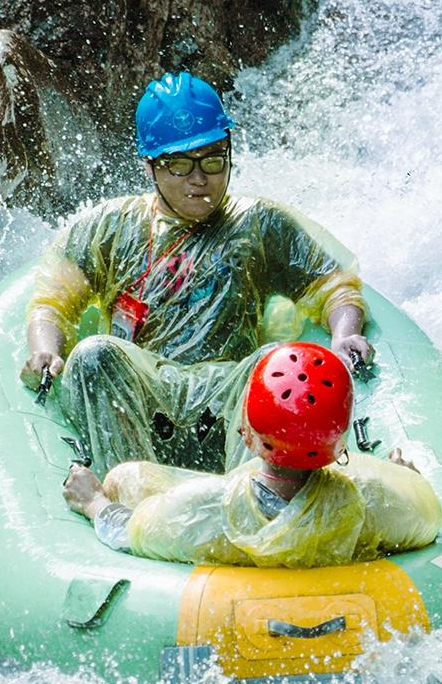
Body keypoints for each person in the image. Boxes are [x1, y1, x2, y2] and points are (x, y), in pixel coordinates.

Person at [24, 73, 373, 473]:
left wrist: (344, 334)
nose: (199, 178)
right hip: (143, 393)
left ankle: (255, 496)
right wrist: (44, 350)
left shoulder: (258, 223)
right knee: (94, 354)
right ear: (149, 166)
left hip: (229, 395)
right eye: (179, 164)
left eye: (212, 159)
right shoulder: (109, 227)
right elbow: (51, 304)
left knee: (277, 363)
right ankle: (128, 492)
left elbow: (335, 287)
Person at [62, 342, 442, 569]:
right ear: (340, 444)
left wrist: (94, 501)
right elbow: (425, 514)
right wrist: (406, 479)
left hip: (212, 581)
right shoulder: (376, 501)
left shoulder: (202, 509)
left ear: (244, 432)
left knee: (128, 477)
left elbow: (127, 532)